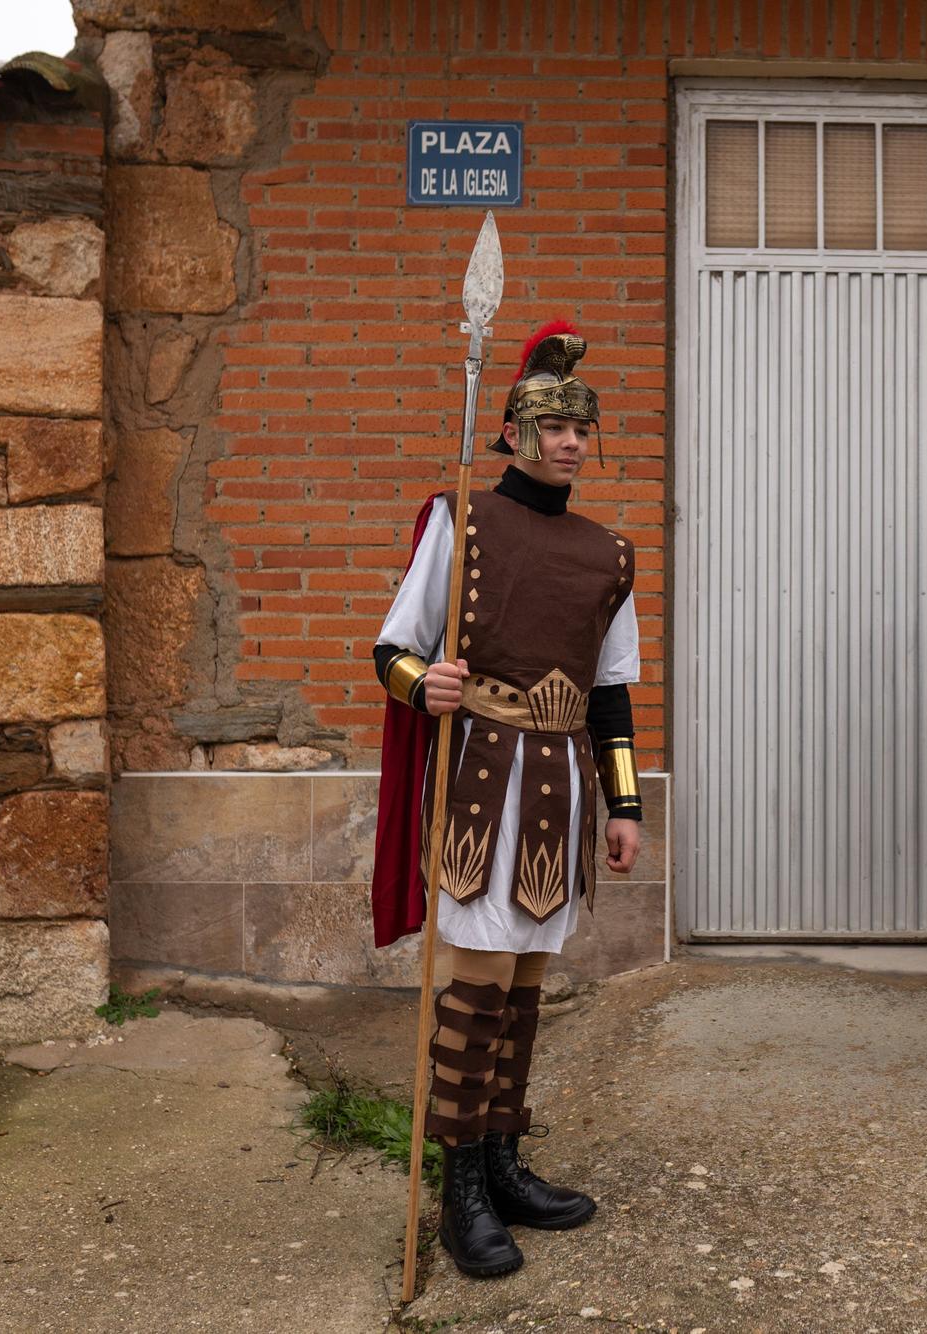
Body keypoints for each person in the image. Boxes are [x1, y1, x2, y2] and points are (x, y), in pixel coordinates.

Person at [369, 321, 643, 1279]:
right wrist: (422, 684)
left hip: (561, 788)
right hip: (483, 778)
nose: (571, 442)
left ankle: (504, 1163)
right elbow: (391, 646)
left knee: (526, 991)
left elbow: (610, 693)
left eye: (582, 429)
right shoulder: (462, 519)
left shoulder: (610, 554)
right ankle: (460, 1192)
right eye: (554, 425)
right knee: (479, 991)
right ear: (516, 432)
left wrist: (624, 805)